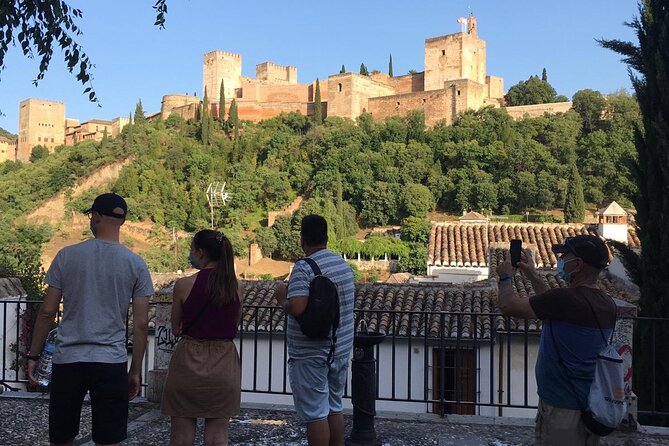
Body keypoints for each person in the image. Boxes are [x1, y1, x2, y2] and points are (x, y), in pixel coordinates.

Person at [27, 192, 153, 446]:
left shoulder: (67, 255)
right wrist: (135, 370)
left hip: (68, 360)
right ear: (122, 221)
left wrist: (33, 355)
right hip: (111, 361)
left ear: (95, 217)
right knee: (108, 439)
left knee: (62, 437)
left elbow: (47, 312)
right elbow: (140, 325)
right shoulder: (136, 264)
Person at [496, 235, 617, 446]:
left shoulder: (565, 300)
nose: (560, 259)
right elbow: (554, 307)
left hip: (561, 409)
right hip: (590, 405)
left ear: (577, 264)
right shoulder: (606, 304)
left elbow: (509, 306)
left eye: (564, 255)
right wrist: (532, 274)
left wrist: (505, 278)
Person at [275, 214, 355, 446]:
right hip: (339, 349)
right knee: (334, 407)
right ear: (326, 236)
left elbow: (297, 307)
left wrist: (282, 299)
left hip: (312, 353)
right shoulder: (342, 265)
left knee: (315, 414)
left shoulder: (304, 267)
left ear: (302, 239)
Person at [161, 229, 242, 446]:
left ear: (201, 253)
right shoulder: (235, 287)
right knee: (217, 437)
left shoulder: (183, 285)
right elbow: (233, 324)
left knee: (181, 437)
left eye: (192, 250)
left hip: (188, 361)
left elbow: (177, 329)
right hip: (224, 363)